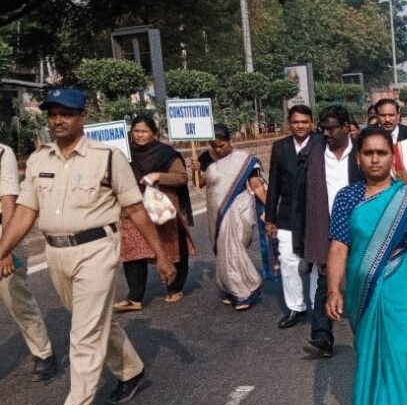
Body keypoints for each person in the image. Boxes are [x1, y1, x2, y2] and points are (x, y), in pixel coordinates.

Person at [0, 89, 173, 405]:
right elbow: (26, 211)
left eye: (66, 114)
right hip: (56, 253)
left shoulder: (107, 158)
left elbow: (135, 209)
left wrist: (161, 255)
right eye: (52, 114)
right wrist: (3, 249)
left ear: (82, 117)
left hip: (96, 250)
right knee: (90, 320)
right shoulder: (38, 159)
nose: (57, 120)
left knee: (83, 334)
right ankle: (131, 369)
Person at [324, 127, 407, 405]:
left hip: (402, 285)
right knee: (370, 360)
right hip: (362, 290)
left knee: (398, 361)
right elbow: (339, 245)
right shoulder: (347, 198)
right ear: (358, 158)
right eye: (368, 153)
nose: (374, 159)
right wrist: (333, 290)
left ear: (392, 157)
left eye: (381, 153)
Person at [299, 105, 363, 358]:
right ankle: (322, 337)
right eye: (322, 128)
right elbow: (300, 195)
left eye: (331, 128)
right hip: (327, 226)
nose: (326, 133)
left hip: (361, 224)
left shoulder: (362, 152)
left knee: (363, 280)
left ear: (346, 127)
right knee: (326, 281)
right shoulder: (312, 155)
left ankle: (370, 334)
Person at [113, 116, 196, 312]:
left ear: (154, 133)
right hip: (132, 209)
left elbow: (181, 178)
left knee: (172, 248)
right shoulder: (123, 154)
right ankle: (135, 298)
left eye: (144, 131)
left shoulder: (166, 154)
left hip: (161, 208)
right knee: (132, 252)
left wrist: (158, 176)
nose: (139, 135)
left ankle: (174, 288)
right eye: (136, 131)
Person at [190, 124, 271, 312]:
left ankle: (245, 289)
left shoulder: (243, 160)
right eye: (214, 146)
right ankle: (234, 290)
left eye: (222, 145)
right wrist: (196, 171)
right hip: (216, 209)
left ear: (230, 141)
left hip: (238, 208)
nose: (218, 150)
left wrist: (271, 208)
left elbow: (256, 185)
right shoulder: (205, 158)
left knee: (235, 247)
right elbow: (199, 184)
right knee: (225, 251)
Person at [1, 139, 56, 382]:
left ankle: (43, 353)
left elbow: (9, 202)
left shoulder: (3, 153)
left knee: (16, 299)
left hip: (4, 235)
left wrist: (6, 250)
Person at [267, 105, 323, 329]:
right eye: (296, 122)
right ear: (289, 124)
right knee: (288, 260)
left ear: (312, 123)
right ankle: (296, 307)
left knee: (318, 261)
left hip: (316, 212)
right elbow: (273, 183)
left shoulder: (321, 143)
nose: (300, 126)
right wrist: (270, 217)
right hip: (288, 214)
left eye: (304, 122)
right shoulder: (280, 147)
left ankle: (318, 305)